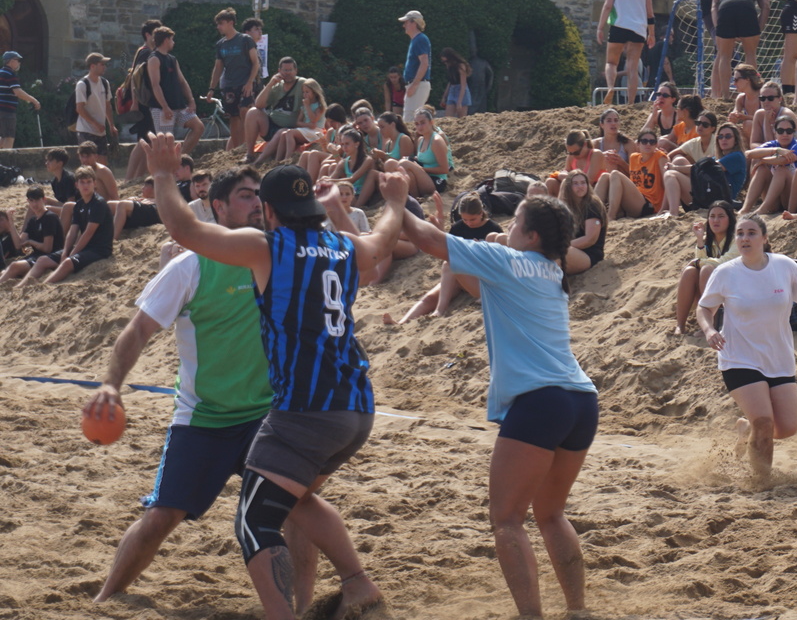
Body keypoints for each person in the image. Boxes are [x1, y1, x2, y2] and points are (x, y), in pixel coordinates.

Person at [143, 132, 408, 620]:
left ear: (268, 210)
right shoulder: (343, 246)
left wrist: (162, 175)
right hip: (356, 408)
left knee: (253, 520)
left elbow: (184, 229)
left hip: (304, 411)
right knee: (297, 500)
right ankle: (358, 587)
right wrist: (394, 202)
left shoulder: (268, 247)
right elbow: (383, 242)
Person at [81, 166, 323, 610]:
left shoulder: (280, 255)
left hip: (268, 417)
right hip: (205, 418)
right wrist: (111, 386)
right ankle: (105, 598)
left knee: (300, 505)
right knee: (162, 516)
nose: (256, 204)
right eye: (245, 196)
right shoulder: (190, 265)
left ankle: (304, 609)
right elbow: (137, 330)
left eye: (259, 196)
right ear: (218, 207)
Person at [397, 195, 599, 619]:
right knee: (551, 514)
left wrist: (398, 200)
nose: (507, 227)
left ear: (532, 235)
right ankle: (579, 610)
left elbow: (426, 240)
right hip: (581, 399)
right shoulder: (551, 269)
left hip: (541, 400)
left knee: (506, 519)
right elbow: (473, 282)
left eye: (515, 221)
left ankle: (531, 615)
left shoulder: (508, 261)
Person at [697, 215, 797, 479]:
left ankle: (747, 429)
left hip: (778, 358)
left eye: (751, 233)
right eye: (740, 233)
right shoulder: (726, 272)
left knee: (787, 427)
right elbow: (705, 308)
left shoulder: (783, 266)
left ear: (764, 238)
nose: (745, 238)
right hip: (739, 357)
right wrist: (709, 330)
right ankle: (761, 480)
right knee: (764, 421)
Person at [383, 194, 502, 324]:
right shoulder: (458, 227)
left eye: (472, 219)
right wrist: (440, 230)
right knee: (430, 297)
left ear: (481, 213)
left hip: (480, 276)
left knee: (449, 264)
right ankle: (401, 322)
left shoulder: (493, 228)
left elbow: (499, 262)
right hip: (459, 275)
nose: (468, 223)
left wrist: (478, 250)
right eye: (465, 219)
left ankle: (440, 310)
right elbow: (446, 251)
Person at [16, 166, 113, 287]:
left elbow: (88, 233)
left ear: (94, 183)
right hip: (85, 247)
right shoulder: (79, 205)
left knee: (67, 262)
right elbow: (72, 231)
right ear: (76, 185)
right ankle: (20, 288)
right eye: (82, 182)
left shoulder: (98, 203)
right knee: (42, 260)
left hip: (99, 249)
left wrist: (71, 254)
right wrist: (65, 251)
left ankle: (44, 287)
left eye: (89, 182)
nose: (86, 185)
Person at [673, 200, 738, 335]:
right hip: (715, 286)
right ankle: (680, 325)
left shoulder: (736, 239)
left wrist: (697, 262)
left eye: (721, 216)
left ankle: (712, 323)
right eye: (712, 216)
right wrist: (700, 240)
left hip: (735, 287)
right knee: (690, 272)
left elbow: (723, 262)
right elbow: (700, 262)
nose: (716, 220)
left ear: (730, 219)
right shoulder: (711, 240)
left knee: (706, 269)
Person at [597, 0, 654, 105]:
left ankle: (611, 87)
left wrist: (600, 27)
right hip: (638, 30)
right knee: (632, 68)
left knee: (611, 62)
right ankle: (631, 102)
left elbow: (607, 6)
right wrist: (651, 34)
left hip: (619, 26)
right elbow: (650, 14)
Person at [207, 7, 261, 154]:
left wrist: (250, 83)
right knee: (233, 118)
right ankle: (237, 151)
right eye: (218, 24)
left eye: (221, 23)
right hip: (229, 86)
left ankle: (248, 148)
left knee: (245, 111)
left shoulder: (245, 40)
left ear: (230, 23)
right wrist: (211, 88)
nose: (218, 27)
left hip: (245, 84)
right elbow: (218, 67)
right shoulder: (221, 44)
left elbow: (255, 63)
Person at [145, 27, 204, 154]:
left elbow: (182, 81)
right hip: (161, 108)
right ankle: (168, 164)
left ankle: (181, 157)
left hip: (179, 105)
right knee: (166, 142)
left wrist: (191, 100)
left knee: (198, 126)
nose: (173, 42)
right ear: (166, 40)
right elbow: (155, 85)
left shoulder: (172, 59)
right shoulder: (154, 59)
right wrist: (165, 107)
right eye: (172, 39)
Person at [711, 0, 769, 99]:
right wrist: (758, 29)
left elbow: (714, 7)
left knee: (724, 56)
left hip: (725, 8)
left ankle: (725, 96)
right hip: (746, 6)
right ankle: (752, 93)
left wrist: (718, 28)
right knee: (750, 54)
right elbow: (766, 5)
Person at [740, 115, 797, 215]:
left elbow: (784, 160)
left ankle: (763, 208)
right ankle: (745, 209)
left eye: (789, 131)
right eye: (780, 131)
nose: (785, 134)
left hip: (796, 199)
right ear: (775, 132)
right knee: (762, 169)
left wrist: (764, 160)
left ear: (793, 132)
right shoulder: (773, 145)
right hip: (777, 199)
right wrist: (775, 150)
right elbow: (748, 154)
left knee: (781, 170)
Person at [243, 57, 305, 163]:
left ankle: (261, 161)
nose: (288, 73)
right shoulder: (276, 85)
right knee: (252, 112)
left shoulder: (303, 84)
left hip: (290, 129)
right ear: (279, 71)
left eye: (290, 70)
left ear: (296, 71)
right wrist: (270, 84)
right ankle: (250, 154)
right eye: (285, 70)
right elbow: (259, 104)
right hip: (272, 125)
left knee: (282, 132)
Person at [595, 129, 666, 219]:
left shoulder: (659, 156)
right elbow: (632, 178)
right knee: (605, 176)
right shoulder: (634, 158)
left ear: (656, 145)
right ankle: (593, 214)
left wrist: (665, 207)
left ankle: (610, 216)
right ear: (638, 144)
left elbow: (667, 183)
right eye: (644, 141)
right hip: (634, 199)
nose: (648, 144)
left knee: (615, 174)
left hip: (649, 204)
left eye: (652, 142)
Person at [256, 79, 328, 165]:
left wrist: (307, 106)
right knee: (284, 134)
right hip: (307, 129)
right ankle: (278, 160)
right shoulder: (304, 105)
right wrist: (307, 124)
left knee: (289, 132)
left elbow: (313, 120)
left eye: (307, 92)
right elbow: (298, 122)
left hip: (316, 132)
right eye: (303, 92)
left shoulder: (319, 106)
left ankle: (287, 159)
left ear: (314, 93)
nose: (305, 95)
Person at [0, 186, 63, 284]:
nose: (34, 204)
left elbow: (47, 248)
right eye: (31, 201)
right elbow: (18, 244)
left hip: (51, 256)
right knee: (5, 271)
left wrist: (31, 242)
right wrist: (11, 222)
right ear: (28, 201)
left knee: (14, 266)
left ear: (44, 199)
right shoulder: (33, 220)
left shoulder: (49, 217)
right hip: (36, 255)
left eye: (37, 200)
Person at [560, 169, 607, 274]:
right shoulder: (567, 206)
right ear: (568, 187)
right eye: (575, 184)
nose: (580, 186)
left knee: (558, 251)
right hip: (574, 251)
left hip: (589, 255)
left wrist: (564, 245)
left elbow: (589, 239)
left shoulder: (592, 205)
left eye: (583, 183)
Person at [400, 107, 453, 197]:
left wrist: (421, 169)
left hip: (437, 180)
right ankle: (415, 198)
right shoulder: (421, 140)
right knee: (400, 164)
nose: (419, 127)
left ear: (431, 122)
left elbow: (444, 169)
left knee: (404, 164)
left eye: (423, 123)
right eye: (417, 124)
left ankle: (414, 198)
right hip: (425, 176)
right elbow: (423, 159)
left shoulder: (436, 141)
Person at [75, 52, 116, 155]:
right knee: (88, 161)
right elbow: (80, 109)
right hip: (86, 131)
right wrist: (96, 124)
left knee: (102, 162)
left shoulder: (105, 83)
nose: (105, 67)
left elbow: (107, 105)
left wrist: (111, 125)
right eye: (102, 64)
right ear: (92, 66)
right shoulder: (82, 84)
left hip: (101, 132)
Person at [330, 126, 380, 208]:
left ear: (357, 144)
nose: (344, 147)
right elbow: (333, 177)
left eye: (347, 144)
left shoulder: (367, 160)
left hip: (362, 195)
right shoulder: (344, 162)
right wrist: (325, 181)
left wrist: (329, 181)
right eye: (342, 144)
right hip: (349, 194)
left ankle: (358, 206)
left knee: (372, 173)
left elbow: (352, 179)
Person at [0, 50, 41, 149]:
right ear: (11, 61)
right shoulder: (10, 74)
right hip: (7, 110)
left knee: (3, 137)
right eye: (18, 60)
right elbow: (18, 92)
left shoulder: (1, 73)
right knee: (9, 137)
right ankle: (7, 158)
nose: (19, 63)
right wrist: (33, 100)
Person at [545, 129, 605, 197]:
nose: (573, 155)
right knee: (550, 182)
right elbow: (567, 170)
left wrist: (568, 177)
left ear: (585, 144)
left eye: (576, 153)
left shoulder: (596, 154)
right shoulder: (572, 155)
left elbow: (589, 181)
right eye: (570, 153)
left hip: (592, 191)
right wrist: (563, 174)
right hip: (575, 190)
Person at [399, 10, 433, 121]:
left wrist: (414, 85)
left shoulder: (420, 39)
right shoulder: (417, 40)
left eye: (406, 22)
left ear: (414, 23)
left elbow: (424, 63)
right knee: (412, 117)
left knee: (410, 118)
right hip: (417, 84)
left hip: (418, 84)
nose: (404, 25)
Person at [591, 107, 635, 175]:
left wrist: (621, 162)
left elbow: (635, 173)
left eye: (616, 120)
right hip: (601, 179)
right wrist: (601, 157)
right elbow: (587, 167)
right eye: (609, 121)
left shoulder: (628, 144)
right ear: (602, 124)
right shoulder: (595, 144)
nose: (613, 123)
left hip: (622, 179)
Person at [727, 64, 762, 144]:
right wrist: (733, 117)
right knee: (731, 128)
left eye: (736, 80)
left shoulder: (762, 95)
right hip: (753, 131)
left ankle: (753, 149)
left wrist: (745, 117)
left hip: (768, 131)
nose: (734, 83)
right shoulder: (741, 98)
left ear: (747, 79)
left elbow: (765, 118)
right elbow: (735, 113)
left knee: (748, 124)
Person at [440, 48, 472, 118]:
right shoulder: (449, 66)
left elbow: (463, 85)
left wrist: (459, 101)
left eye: (446, 61)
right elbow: (450, 82)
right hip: (452, 90)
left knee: (462, 119)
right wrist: (444, 97)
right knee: (448, 118)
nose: (445, 63)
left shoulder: (461, 66)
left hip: (461, 91)